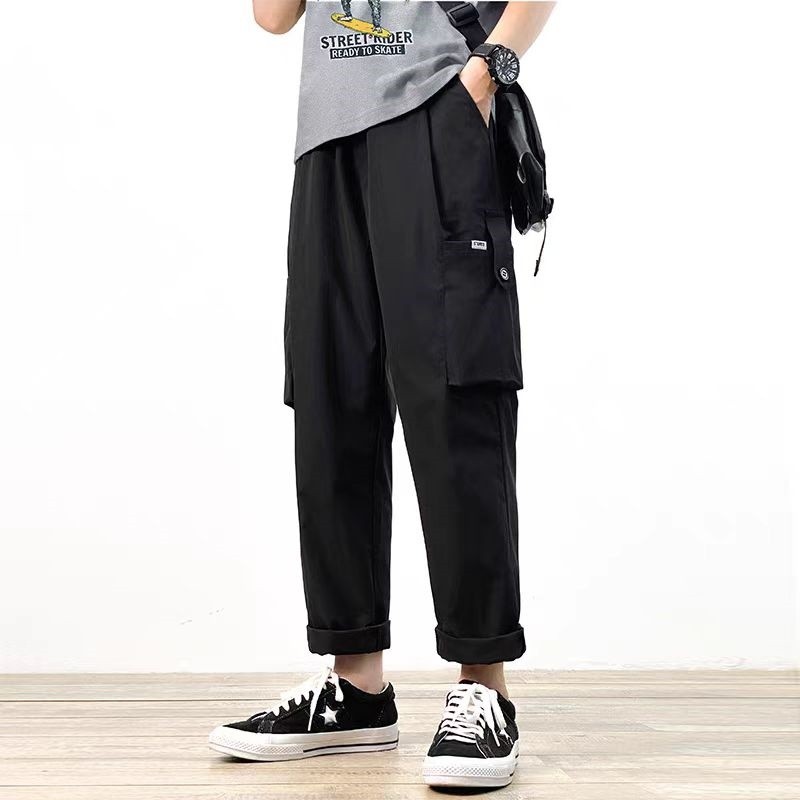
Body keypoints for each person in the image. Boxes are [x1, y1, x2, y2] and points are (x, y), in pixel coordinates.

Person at [209, 0, 554, 789]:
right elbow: (272, 17)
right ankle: (356, 685)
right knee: (332, 395)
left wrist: (486, 74)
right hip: (326, 139)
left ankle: (484, 685)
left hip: (437, 111)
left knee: (455, 393)